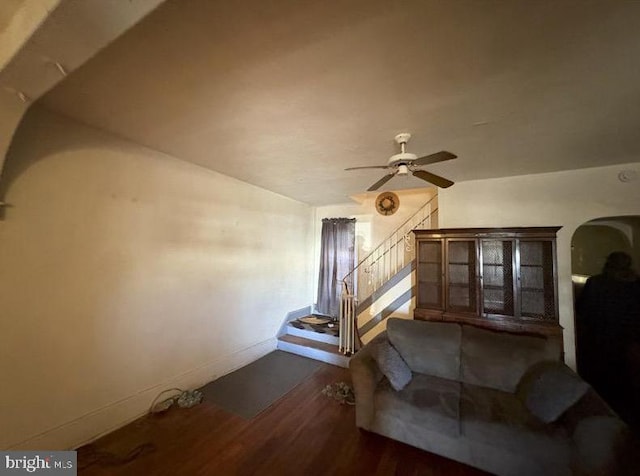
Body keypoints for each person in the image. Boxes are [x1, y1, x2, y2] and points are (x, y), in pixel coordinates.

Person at [576, 251, 640, 427]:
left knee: (601, 383)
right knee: (623, 383)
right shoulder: (636, 284)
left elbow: (583, 310)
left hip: (600, 338)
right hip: (624, 341)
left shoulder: (596, 283)